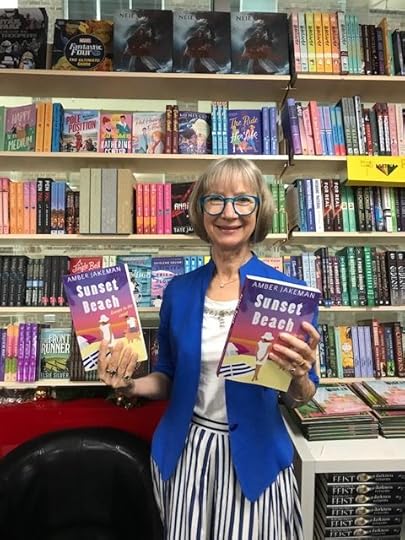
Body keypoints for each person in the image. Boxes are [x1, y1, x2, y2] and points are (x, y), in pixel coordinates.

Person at [98, 157, 320, 539]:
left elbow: (300, 395)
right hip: (188, 453)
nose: (228, 213)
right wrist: (128, 385)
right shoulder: (179, 291)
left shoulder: (286, 295)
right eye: (215, 200)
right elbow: (167, 376)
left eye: (242, 200)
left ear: (259, 210)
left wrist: (299, 376)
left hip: (256, 459)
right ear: (201, 211)